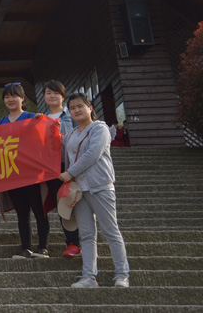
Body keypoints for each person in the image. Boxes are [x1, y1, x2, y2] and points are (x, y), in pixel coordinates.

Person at [59, 93, 130, 288]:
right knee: (87, 235)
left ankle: (122, 274)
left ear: (90, 107)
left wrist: (70, 172)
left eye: (80, 106)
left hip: (100, 186)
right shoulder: (71, 135)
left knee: (110, 231)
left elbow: (92, 154)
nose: (76, 110)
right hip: (78, 191)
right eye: (72, 108)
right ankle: (89, 277)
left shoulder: (100, 128)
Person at [0, 83, 47, 259]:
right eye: (7, 97)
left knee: (38, 210)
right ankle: (26, 248)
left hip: (32, 174)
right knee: (22, 213)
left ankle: (43, 247)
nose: (10, 99)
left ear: (22, 98)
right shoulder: (1, 122)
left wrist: (43, 122)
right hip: (12, 175)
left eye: (14, 96)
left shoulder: (33, 117)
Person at [42, 80, 82, 258]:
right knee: (63, 207)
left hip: (73, 166)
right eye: (48, 93)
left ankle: (87, 243)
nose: (52, 96)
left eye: (56, 93)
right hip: (52, 170)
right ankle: (72, 244)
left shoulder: (72, 115)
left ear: (63, 96)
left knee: (80, 206)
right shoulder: (41, 119)